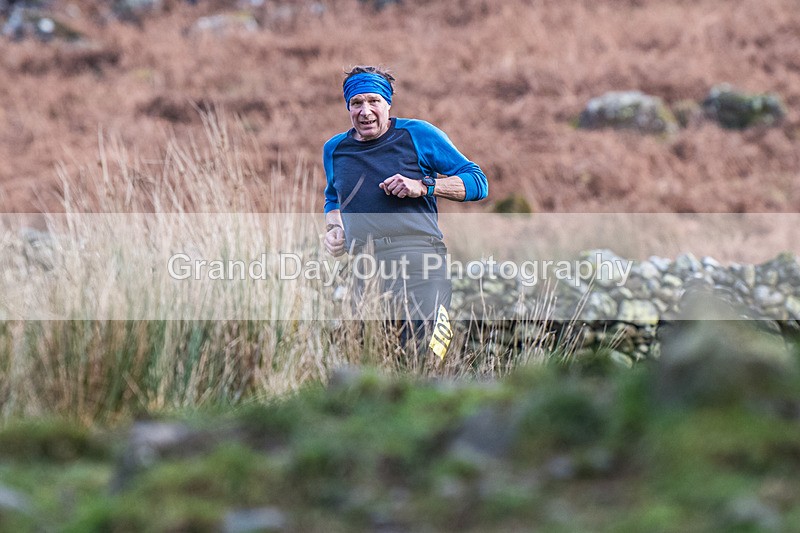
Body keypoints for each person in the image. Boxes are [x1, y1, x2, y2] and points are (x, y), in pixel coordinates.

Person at [322, 65, 488, 351]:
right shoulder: (335, 149)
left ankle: (438, 389)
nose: (365, 111)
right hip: (366, 266)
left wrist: (424, 187)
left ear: (388, 103)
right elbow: (333, 199)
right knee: (372, 356)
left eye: (373, 101)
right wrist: (335, 229)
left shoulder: (417, 134)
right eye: (356, 103)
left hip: (420, 259)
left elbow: (478, 182)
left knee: (430, 347)